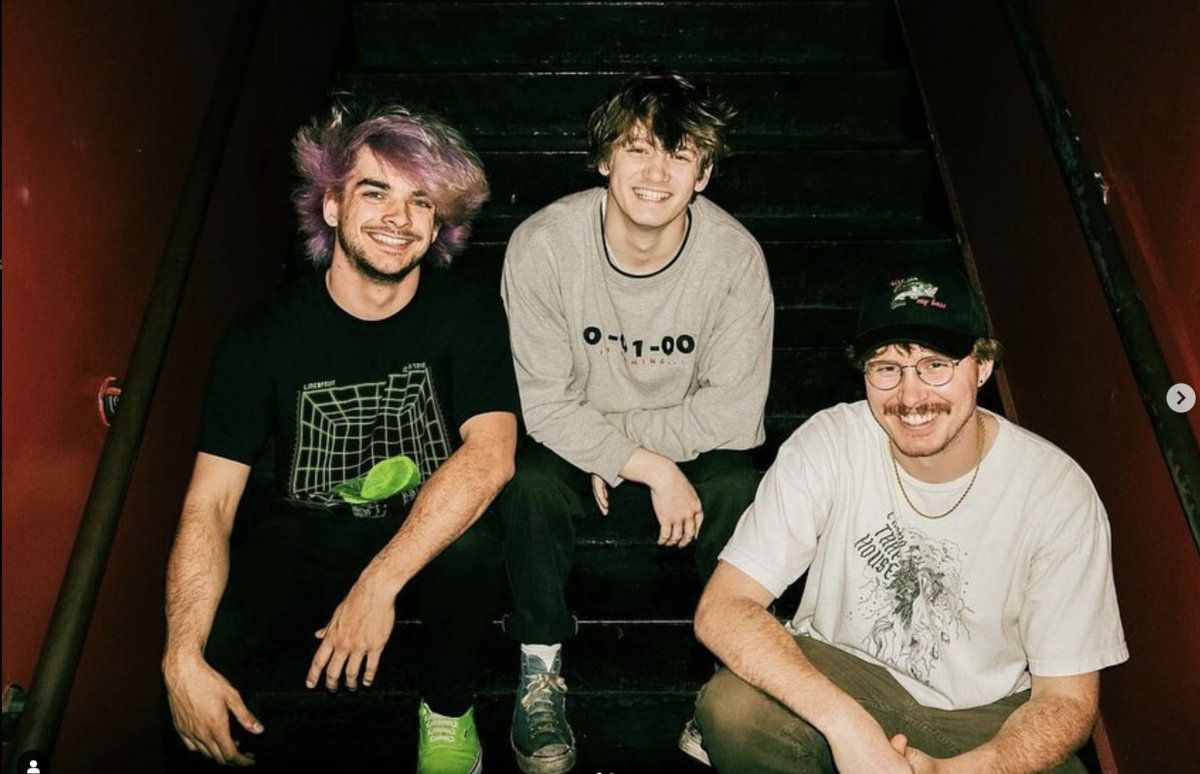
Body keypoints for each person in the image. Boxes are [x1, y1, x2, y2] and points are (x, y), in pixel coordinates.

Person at [161, 96, 519, 774]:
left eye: (421, 201)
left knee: (472, 549)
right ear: (331, 205)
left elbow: (492, 455)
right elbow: (210, 502)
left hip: (428, 528)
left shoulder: (467, 311)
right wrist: (181, 656)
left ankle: (448, 710)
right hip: (308, 533)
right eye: (375, 192)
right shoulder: (261, 338)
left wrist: (377, 585)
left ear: (439, 222)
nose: (398, 219)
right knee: (204, 667)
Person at [689, 263, 1128, 773]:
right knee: (734, 711)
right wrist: (847, 727)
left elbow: (1067, 700)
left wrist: (953, 771)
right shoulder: (831, 442)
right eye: (887, 368)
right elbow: (723, 607)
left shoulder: (1056, 492)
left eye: (935, 365)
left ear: (982, 366)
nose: (911, 396)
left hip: (980, 714)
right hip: (844, 675)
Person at [498, 71, 774, 773]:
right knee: (527, 481)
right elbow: (543, 405)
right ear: (603, 159)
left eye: (679, 156)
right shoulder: (544, 245)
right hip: (577, 436)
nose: (656, 174)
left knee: (739, 487)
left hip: (679, 438)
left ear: (703, 175)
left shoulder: (734, 258)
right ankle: (539, 664)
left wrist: (619, 449)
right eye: (638, 149)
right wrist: (645, 464)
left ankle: (735, 676)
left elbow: (734, 414)